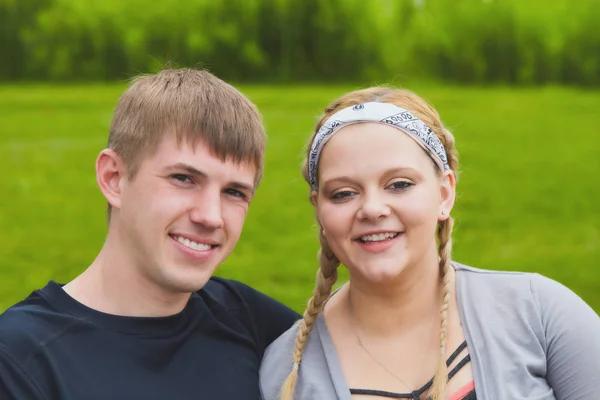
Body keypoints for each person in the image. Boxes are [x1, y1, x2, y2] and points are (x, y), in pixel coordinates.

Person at [260, 87, 600, 400]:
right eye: (344, 193)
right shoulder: (286, 371)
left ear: (444, 193)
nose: (373, 209)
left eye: (399, 184)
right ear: (319, 208)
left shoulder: (538, 315)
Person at [0, 68, 299, 400]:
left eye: (234, 192)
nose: (210, 216)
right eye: (184, 178)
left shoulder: (250, 322)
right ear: (114, 178)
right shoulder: (20, 359)